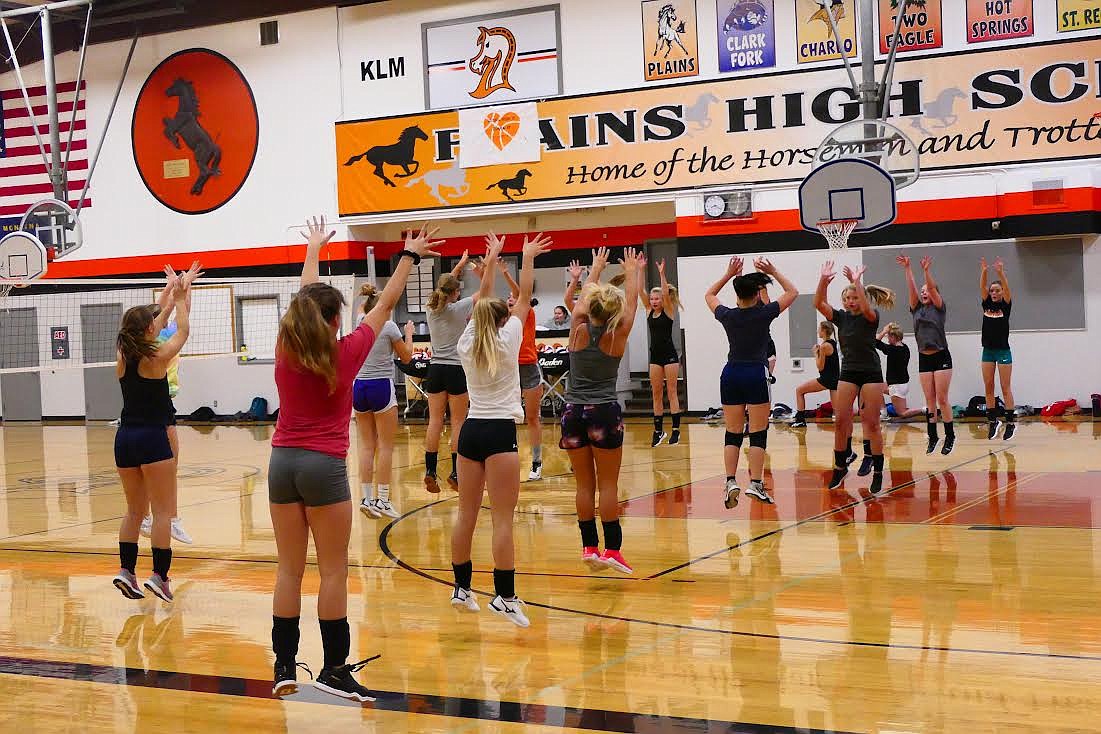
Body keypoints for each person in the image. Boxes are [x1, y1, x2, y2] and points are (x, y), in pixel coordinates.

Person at [268, 217, 440, 700]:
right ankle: (334, 669)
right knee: (334, 570)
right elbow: (385, 304)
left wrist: (314, 250)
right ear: (336, 320)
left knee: (288, 570)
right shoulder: (347, 352)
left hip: (281, 463)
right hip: (323, 467)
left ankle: (283, 665)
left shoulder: (285, 347)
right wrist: (409, 256)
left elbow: (306, 298)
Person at [449, 231, 552, 628]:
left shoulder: (467, 341)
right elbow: (523, 297)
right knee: (503, 521)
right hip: (499, 434)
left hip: (471, 431)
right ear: (501, 319)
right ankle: (505, 597)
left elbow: (484, 297)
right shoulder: (509, 339)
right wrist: (525, 258)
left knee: (465, 516)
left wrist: (490, 262)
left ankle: (462, 588)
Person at [112, 262, 201, 604]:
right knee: (163, 514)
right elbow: (182, 330)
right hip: (152, 438)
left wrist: (172, 296)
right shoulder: (159, 357)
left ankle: (126, 571)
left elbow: (158, 324)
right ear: (150, 330)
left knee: (135, 512)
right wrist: (179, 298)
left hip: (124, 440)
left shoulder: (123, 354)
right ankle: (159, 577)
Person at [560, 247, 643, 575]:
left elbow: (581, 302)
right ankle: (613, 550)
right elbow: (633, 303)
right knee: (608, 485)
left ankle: (588, 546)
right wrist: (633, 272)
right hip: (603, 412)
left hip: (571, 412)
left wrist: (594, 268)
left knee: (584, 486)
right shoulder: (617, 333)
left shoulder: (577, 328)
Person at [705, 257, 798, 508]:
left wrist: (728, 274)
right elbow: (793, 292)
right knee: (758, 433)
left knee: (732, 432)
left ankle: (730, 481)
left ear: (737, 297)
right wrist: (773, 270)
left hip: (731, 374)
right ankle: (755, 484)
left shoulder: (728, 315)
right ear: (758, 296)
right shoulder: (764, 313)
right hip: (755, 373)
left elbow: (709, 294)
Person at [814, 261, 894, 495]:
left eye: (855, 297)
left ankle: (877, 471)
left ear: (862, 299)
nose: (851, 301)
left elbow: (867, 309)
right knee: (841, 421)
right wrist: (823, 280)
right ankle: (840, 467)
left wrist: (857, 281)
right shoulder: (841, 318)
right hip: (848, 372)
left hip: (870, 373)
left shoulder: (872, 316)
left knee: (871, 424)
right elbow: (818, 303)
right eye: (847, 298)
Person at [138, 263, 201, 546]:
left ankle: (157, 517)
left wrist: (180, 287)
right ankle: (165, 518)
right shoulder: (160, 341)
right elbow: (173, 311)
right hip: (157, 407)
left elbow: (176, 309)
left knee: (164, 464)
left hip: (162, 403)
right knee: (166, 464)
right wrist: (178, 289)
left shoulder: (144, 342)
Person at [354, 284, 415, 520]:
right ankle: (383, 500)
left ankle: (366, 498)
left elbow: (363, 304)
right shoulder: (388, 326)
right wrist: (408, 333)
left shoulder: (361, 321)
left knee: (367, 446)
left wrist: (369, 294)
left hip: (359, 386)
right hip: (381, 386)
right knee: (386, 447)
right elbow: (407, 357)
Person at [423, 251, 478, 493]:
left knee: (435, 421)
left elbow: (444, 286)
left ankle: (430, 471)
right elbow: (483, 291)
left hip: (435, 369)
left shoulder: (430, 308)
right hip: (456, 369)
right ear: (455, 293)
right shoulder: (460, 307)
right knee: (458, 422)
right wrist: (482, 271)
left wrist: (460, 266)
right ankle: (456, 473)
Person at [899, 255, 955, 455]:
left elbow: (931, 288)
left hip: (941, 356)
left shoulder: (939, 308)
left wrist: (926, 271)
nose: (924, 293)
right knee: (929, 400)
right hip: (924, 357)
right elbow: (912, 290)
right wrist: (908, 268)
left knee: (942, 399)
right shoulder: (916, 310)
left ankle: (950, 435)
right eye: (922, 291)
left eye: (927, 291)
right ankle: (933, 436)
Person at [498, 260, 548, 480]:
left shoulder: (526, 315)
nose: (511, 298)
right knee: (506, 417)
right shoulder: (501, 319)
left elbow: (520, 295)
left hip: (528, 367)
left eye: (513, 297)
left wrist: (507, 274)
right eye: (508, 297)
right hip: (508, 369)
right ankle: (508, 458)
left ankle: (536, 462)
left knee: (532, 417)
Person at [641, 259, 683, 447]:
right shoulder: (649, 310)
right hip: (655, 356)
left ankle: (676, 430)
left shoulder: (668, 309)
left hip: (670, 355)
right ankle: (658, 431)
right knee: (656, 393)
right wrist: (640, 270)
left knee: (672, 391)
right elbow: (639, 291)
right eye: (652, 299)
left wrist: (662, 273)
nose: (654, 301)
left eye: (657, 298)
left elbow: (665, 292)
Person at [980, 257, 1015, 441]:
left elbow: (1008, 291)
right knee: (988, 386)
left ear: (1001, 292)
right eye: (992, 290)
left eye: (997, 290)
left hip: (1003, 351)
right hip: (988, 351)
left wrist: (1001, 272)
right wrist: (984, 271)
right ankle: (993, 422)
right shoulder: (986, 304)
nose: (994, 292)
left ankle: (1010, 422)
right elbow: (982, 287)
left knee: (1005, 386)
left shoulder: (1005, 305)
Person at [791, 322, 839, 428]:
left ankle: (800, 420)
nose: (817, 331)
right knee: (837, 408)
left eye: (819, 329)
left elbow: (820, 367)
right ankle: (842, 427)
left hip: (826, 379)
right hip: (835, 379)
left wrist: (815, 353)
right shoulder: (833, 343)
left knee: (799, 390)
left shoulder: (824, 346)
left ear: (824, 331)